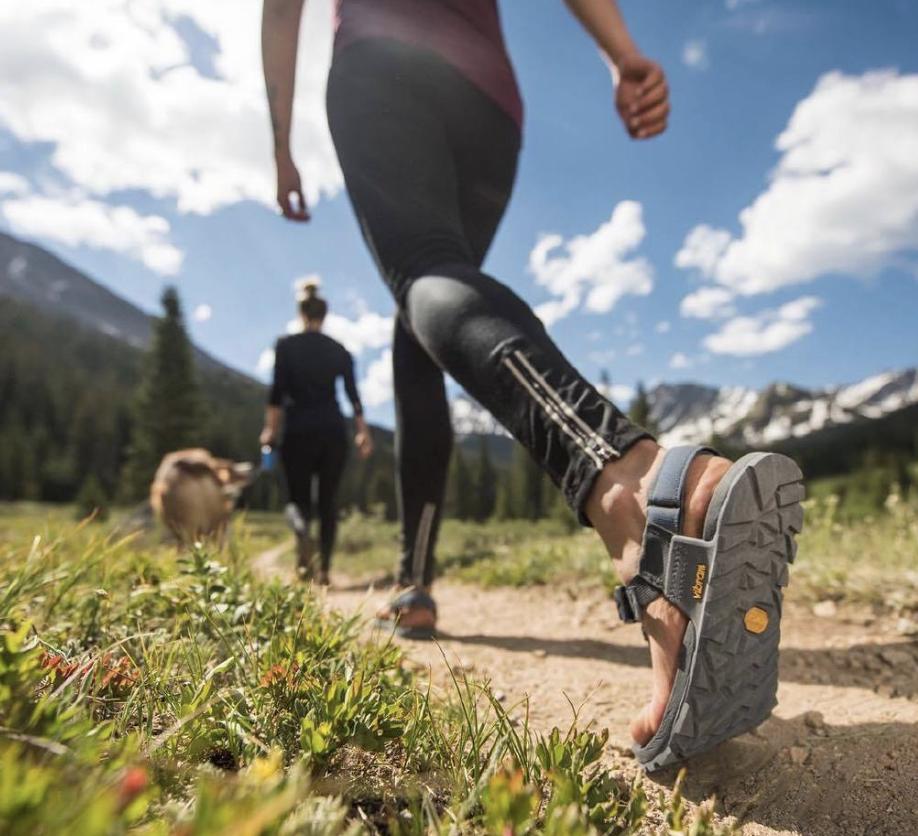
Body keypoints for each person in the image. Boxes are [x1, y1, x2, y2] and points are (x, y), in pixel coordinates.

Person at [261, 0, 804, 770]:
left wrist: (281, 144)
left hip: (382, 57)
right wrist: (620, 53)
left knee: (422, 273)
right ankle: (416, 581)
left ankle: (633, 485)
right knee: (424, 315)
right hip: (488, 99)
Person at [260, 280, 373, 585]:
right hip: (332, 431)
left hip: (297, 430)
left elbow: (276, 394)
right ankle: (324, 572)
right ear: (324, 315)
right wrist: (362, 432)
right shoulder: (339, 351)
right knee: (328, 501)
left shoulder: (286, 346)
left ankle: (300, 531)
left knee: (297, 499)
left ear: (301, 313)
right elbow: (353, 397)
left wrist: (269, 431)